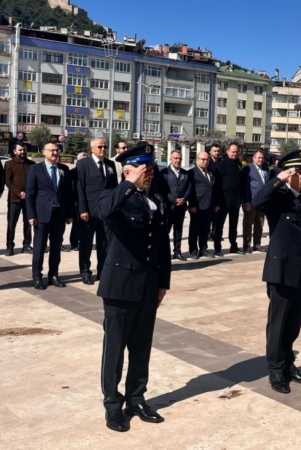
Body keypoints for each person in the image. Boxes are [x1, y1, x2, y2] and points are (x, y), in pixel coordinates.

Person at [96, 143, 171, 432]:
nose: (150, 174)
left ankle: (136, 398)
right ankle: (112, 404)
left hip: (148, 285)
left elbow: (162, 244)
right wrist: (128, 183)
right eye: (144, 169)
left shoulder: (155, 200)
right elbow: (104, 211)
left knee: (141, 347)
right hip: (120, 285)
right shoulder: (113, 196)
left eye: (151, 169)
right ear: (128, 171)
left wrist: (163, 282)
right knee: (114, 349)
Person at [253, 150, 301, 393]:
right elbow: (257, 202)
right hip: (280, 269)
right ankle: (276, 369)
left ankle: (289, 364)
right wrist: (278, 179)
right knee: (278, 323)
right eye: (298, 173)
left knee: (293, 323)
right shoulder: (278, 198)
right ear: (288, 173)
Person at [26, 143, 75, 290]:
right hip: (42, 214)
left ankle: (53, 275)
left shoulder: (64, 169)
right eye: (51, 150)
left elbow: (69, 193)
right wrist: (31, 214)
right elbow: (30, 194)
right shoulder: (35, 169)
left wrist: (70, 213)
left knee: (56, 247)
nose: (55, 153)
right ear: (44, 152)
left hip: (59, 214)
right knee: (39, 247)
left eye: (56, 150)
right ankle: (37, 277)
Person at [76, 138, 118, 285]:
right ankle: (85, 272)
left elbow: (114, 188)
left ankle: (103, 271)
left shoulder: (110, 164)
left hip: (106, 211)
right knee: (86, 244)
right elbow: (80, 188)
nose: (103, 149)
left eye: (105, 147)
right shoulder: (83, 164)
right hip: (89, 211)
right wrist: (82, 209)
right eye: (100, 147)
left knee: (104, 244)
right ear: (92, 148)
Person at [213, 143, 245, 256]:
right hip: (223, 201)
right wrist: (217, 202)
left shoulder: (239, 164)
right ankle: (217, 248)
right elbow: (216, 185)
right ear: (227, 152)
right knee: (219, 226)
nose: (234, 154)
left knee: (233, 226)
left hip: (235, 201)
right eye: (232, 152)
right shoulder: (221, 165)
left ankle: (233, 246)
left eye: (236, 152)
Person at [4, 141, 35, 256]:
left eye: (24, 150)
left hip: (29, 199)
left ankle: (26, 245)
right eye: (20, 150)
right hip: (14, 199)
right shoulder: (9, 164)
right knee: (11, 223)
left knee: (28, 223)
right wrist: (18, 193)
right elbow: (8, 181)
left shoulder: (32, 164)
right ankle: (9, 246)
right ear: (14, 151)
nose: (22, 152)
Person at [160, 150, 191, 261]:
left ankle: (177, 251)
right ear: (170, 159)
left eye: (180, 158)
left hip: (181, 207)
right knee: (165, 231)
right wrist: (173, 200)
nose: (178, 160)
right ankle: (163, 253)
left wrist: (184, 199)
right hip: (168, 207)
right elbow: (163, 190)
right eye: (176, 158)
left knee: (178, 230)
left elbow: (189, 187)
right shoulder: (164, 173)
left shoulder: (185, 173)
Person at [240, 149, 271, 254]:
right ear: (253, 158)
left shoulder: (266, 168)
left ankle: (257, 244)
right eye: (259, 158)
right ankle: (246, 245)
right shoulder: (248, 169)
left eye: (262, 158)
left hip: (262, 202)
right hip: (251, 202)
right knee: (248, 224)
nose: (261, 160)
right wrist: (246, 202)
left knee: (259, 224)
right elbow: (245, 187)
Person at [188, 151, 217, 259]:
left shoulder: (211, 172)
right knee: (194, 230)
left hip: (209, 205)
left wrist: (216, 203)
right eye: (203, 159)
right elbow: (190, 190)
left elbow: (213, 188)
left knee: (205, 229)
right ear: (197, 160)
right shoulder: (192, 173)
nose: (205, 162)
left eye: (207, 159)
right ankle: (193, 250)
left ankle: (203, 248)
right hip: (197, 206)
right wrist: (192, 205)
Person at [68, 152, 89, 252]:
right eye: (82, 160)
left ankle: (84, 242)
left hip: (88, 201)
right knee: (76, 223)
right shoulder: (72, 172)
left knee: (87, 224)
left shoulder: (90, 171)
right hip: (76, 201)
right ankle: (74, 243)